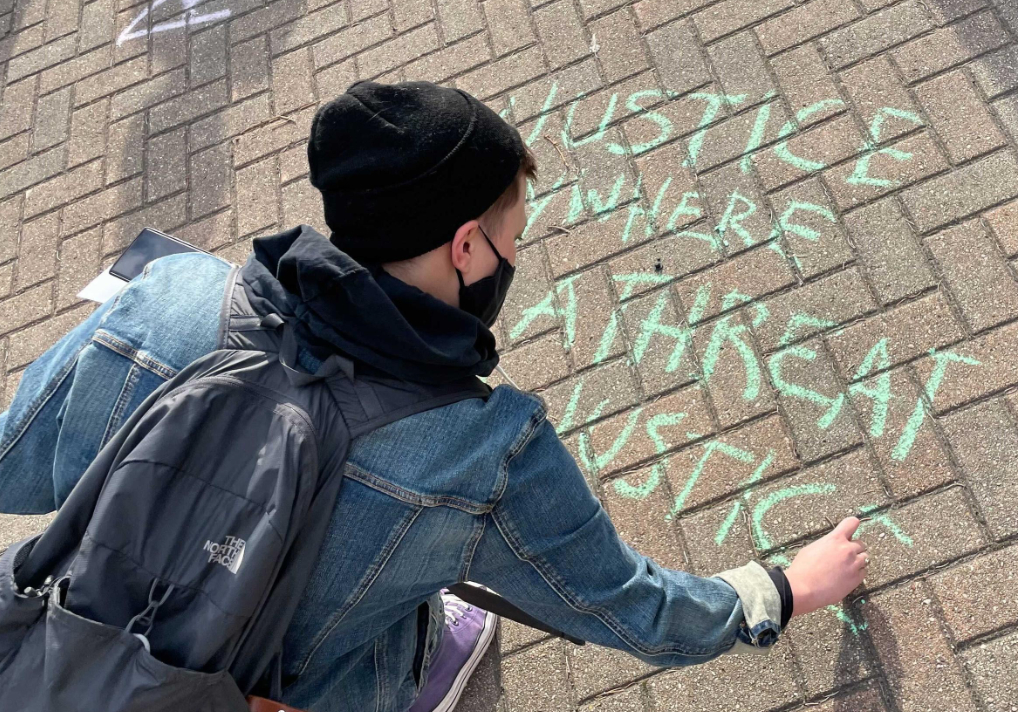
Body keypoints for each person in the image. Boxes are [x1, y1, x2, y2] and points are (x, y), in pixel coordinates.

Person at [0, 81, 868, 712]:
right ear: (465, 248)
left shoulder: (169, 294)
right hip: (283, 692)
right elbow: (629, 609)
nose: (515, 257)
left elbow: (16, 467)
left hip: (56, 662)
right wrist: (783, 591)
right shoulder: (483, 453)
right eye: (513, 238)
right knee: (409, 598)